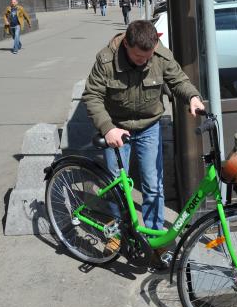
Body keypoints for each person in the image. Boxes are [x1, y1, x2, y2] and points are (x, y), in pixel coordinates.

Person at [82, 20, 205, 260]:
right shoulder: (106, 60)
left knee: (153, 185)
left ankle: (154, 235)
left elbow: (178, 80)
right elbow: (92, 96)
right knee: (118, 186)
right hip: (117, 129)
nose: (145, 61)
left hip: (149, 126)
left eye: (148, 56)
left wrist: (192, 97)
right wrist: (107, 129)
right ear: (126, 44)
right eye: (139, 57)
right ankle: (116, 233)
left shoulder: (158, 54)